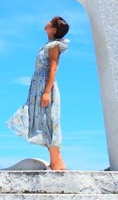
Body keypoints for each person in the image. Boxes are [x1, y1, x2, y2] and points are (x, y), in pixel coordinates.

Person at [6, 15, 70, 170]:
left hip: (45, 87)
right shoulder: (48, 45)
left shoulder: (54, 46)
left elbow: (53, 68)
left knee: (49, 120)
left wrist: (47, 92)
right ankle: (56, 161)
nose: (46, 22)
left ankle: (57, 162)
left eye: (50, 22)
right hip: (38, 87)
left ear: (53, 29)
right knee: (42, 120)